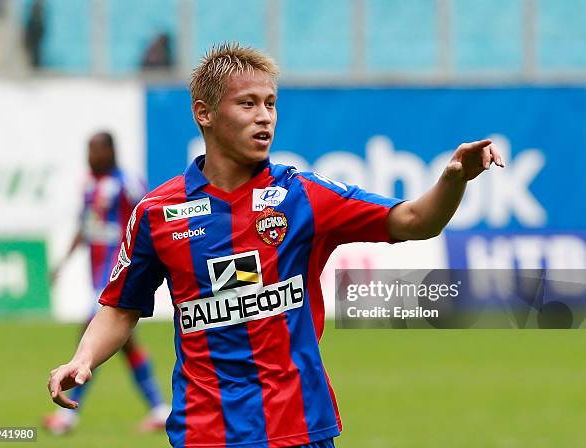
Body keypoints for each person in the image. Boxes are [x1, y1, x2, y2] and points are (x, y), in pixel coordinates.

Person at [47, 44, 504, 447]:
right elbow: (121, 307)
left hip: (298, 426)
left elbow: (415, 221)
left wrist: (453, 179)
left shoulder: (303, 194)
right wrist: (83, 358)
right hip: (206, 431)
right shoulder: (156, 213)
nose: (264, 116)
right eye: (247, 104)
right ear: (204, 113)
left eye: (270, 103)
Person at [44, 131, 170, 435]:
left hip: (117, 273)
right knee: (121, 343)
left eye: (94, 150)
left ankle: (69, 416)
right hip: (96, 275)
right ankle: (159, 408)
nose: (89, 156)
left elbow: (149, 218)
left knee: (89, 338)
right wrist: (63, 262)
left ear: (109, 152)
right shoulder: (88, 183)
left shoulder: (127, 182)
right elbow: (85, 226)